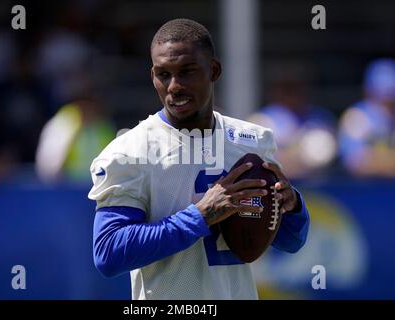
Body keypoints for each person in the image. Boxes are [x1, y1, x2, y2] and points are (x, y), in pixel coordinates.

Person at [88, 19, 310, 300]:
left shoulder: (250, 140)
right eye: (163, 74)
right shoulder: (130, 151)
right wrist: (199, 216)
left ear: (213, 70)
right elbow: (108, 253)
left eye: (186, 72)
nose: (174, 86)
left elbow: (290, 242)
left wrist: (292, 209)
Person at [338, 58, 395, 178]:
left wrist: (378, 158)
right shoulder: (356, 117)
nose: (388, 102)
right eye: (382, 96)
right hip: (366, 191)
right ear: (368, 91)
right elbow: (355, 162)